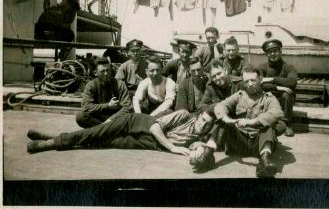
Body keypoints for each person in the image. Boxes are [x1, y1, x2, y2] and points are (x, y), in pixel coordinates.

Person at [190, 67, 287, 178]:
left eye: (253, 80)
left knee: (268, 126)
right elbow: (221, 106)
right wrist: (226, 119)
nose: (250, 84)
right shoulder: (239, 95)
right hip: (239, 143)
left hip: (258, 144)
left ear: (260, 79)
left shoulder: (268, 98)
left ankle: (264, 162)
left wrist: (252, 122)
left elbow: (277, 113)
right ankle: (207, 156)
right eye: (246, 81)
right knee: (221, 122)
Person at [26, 109, 215, 156]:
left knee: (98, 143)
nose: (204, 126)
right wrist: (173, 148)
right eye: (204, 120)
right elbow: (155, 127)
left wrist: (202, 150)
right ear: (198, 116)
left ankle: (51, 137)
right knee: (93, 134)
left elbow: (199, 149)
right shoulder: (184, 115)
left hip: (147, 143)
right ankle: (46, 144)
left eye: (209, 125)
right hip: (135, 123)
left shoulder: (200, 137)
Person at [75, 57, 133, 128]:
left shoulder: (120, 84)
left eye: (108, 70)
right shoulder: (91, 85)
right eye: (102, 71)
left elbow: (127, 107)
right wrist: (108, 106)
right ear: (95, 73)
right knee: (81, 117)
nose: (106, 73)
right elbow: (85, 107)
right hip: (99, 119)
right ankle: (107, 131)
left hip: (115, 119)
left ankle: (101, 131)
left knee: (130, 118)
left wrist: (110, 120)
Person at [258, 39, 298, 137]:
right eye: (270, 52)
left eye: (275, 51)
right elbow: (259, 84)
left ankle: (287, 124)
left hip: (283, 99)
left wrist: (272, 79)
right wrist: (278, 87)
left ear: (280, 51)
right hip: (269, 97)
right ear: (266, 54)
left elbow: (292, 82)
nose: (273, 54)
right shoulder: (262, 67)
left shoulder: (288, 67)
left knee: (287, 94)